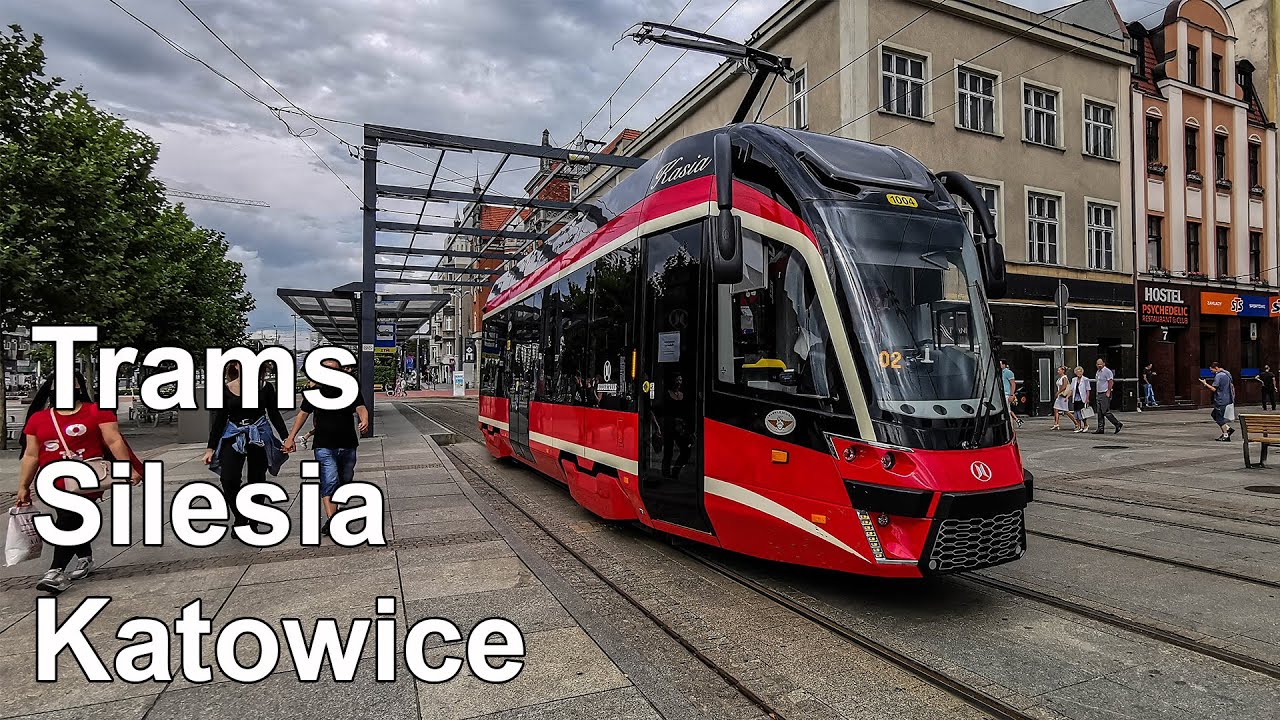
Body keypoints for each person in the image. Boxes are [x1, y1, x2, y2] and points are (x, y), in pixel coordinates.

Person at [15, 371, 143, 594]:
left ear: (79, 387)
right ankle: (85, 557)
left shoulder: (97, 411)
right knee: (70, 518)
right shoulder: (39, 419)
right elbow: (31, 455)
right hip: (53, 481)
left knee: (70, 516)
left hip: (88, 476)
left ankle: (55, 571)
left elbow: (114, 441)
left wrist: (128, 468)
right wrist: (23, 486)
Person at [283, 359, 369, 534]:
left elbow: (361, 407)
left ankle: (334, 515)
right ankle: (333, 520)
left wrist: (365, 419)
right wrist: (290, 438)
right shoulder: (315, 392)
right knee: (329, 480)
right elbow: (302, 415)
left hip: (348, 443)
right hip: (323, 444)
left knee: (344, 479)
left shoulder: (349, 389)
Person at [203, 360, 289, 531]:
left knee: (257, 479)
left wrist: (287, 437)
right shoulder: (226, 388)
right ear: (235, 366)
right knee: (228, 479)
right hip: (233, 435)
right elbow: (219, 419)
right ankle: (240, 517)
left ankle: (254, 521)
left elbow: (274, 414)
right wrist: (210, 448)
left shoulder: (265, 387)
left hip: (259, 434)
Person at [1200, 362, 1236, 441]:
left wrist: (1205, 384)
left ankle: (1226, 435)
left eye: (1211, 370)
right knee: (1214, 414)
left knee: (1219, 418)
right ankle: (1228, 429)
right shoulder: (1227, 374)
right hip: (1227, 398)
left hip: (1221, 400)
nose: (1211, 371)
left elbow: (1214, 389)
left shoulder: (1219, 376)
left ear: (1216, 368)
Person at [1093, 358, 1123, 434]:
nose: (1099, 365)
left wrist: (1108, 391)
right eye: (1098, 364)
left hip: (1104, 393)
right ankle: (1100, 428)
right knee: (1099, 412)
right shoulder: (1098, 372)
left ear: (1104, 364)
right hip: (1099, 393)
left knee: (1105, 411)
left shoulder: (1107, 371)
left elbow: (1110, 381)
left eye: (1100, 364)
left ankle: (1117, 423)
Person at [1051, 366, 1079, 431]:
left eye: (1059, 370)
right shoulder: (1059, 378)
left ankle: (1076, 423)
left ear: (1063, 371)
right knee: (1056, 409)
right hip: (1059, 396)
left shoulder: (1064, 377)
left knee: (1066, 411)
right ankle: (1056, 423)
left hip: (1063, 396)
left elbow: (1064, 386)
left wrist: (1058, 392)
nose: (1058, 371)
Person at [999, 360, 1023, 428]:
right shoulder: (1000, 373)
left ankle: (1011, 427)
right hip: (1002, 394)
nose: (999, 365)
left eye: (1000, 364)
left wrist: (1012, 394)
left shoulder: (1008, 372)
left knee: (1008, 411)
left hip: (1007, 393)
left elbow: (1013, 384)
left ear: (1004, 365)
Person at [1070, 366, 1091, 433]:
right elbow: (1071, 389)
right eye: (1077, 372)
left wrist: (1087, 399)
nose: (1079, 373)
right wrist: (1067, 397)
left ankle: (1086, 425)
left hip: (1082, 398)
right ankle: (1079, 426)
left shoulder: (1085, 379)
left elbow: (1088, 390)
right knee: (1076, 413)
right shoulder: (1074, 380)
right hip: (1075, 398)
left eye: (1080, 372)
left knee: (1082, 413)